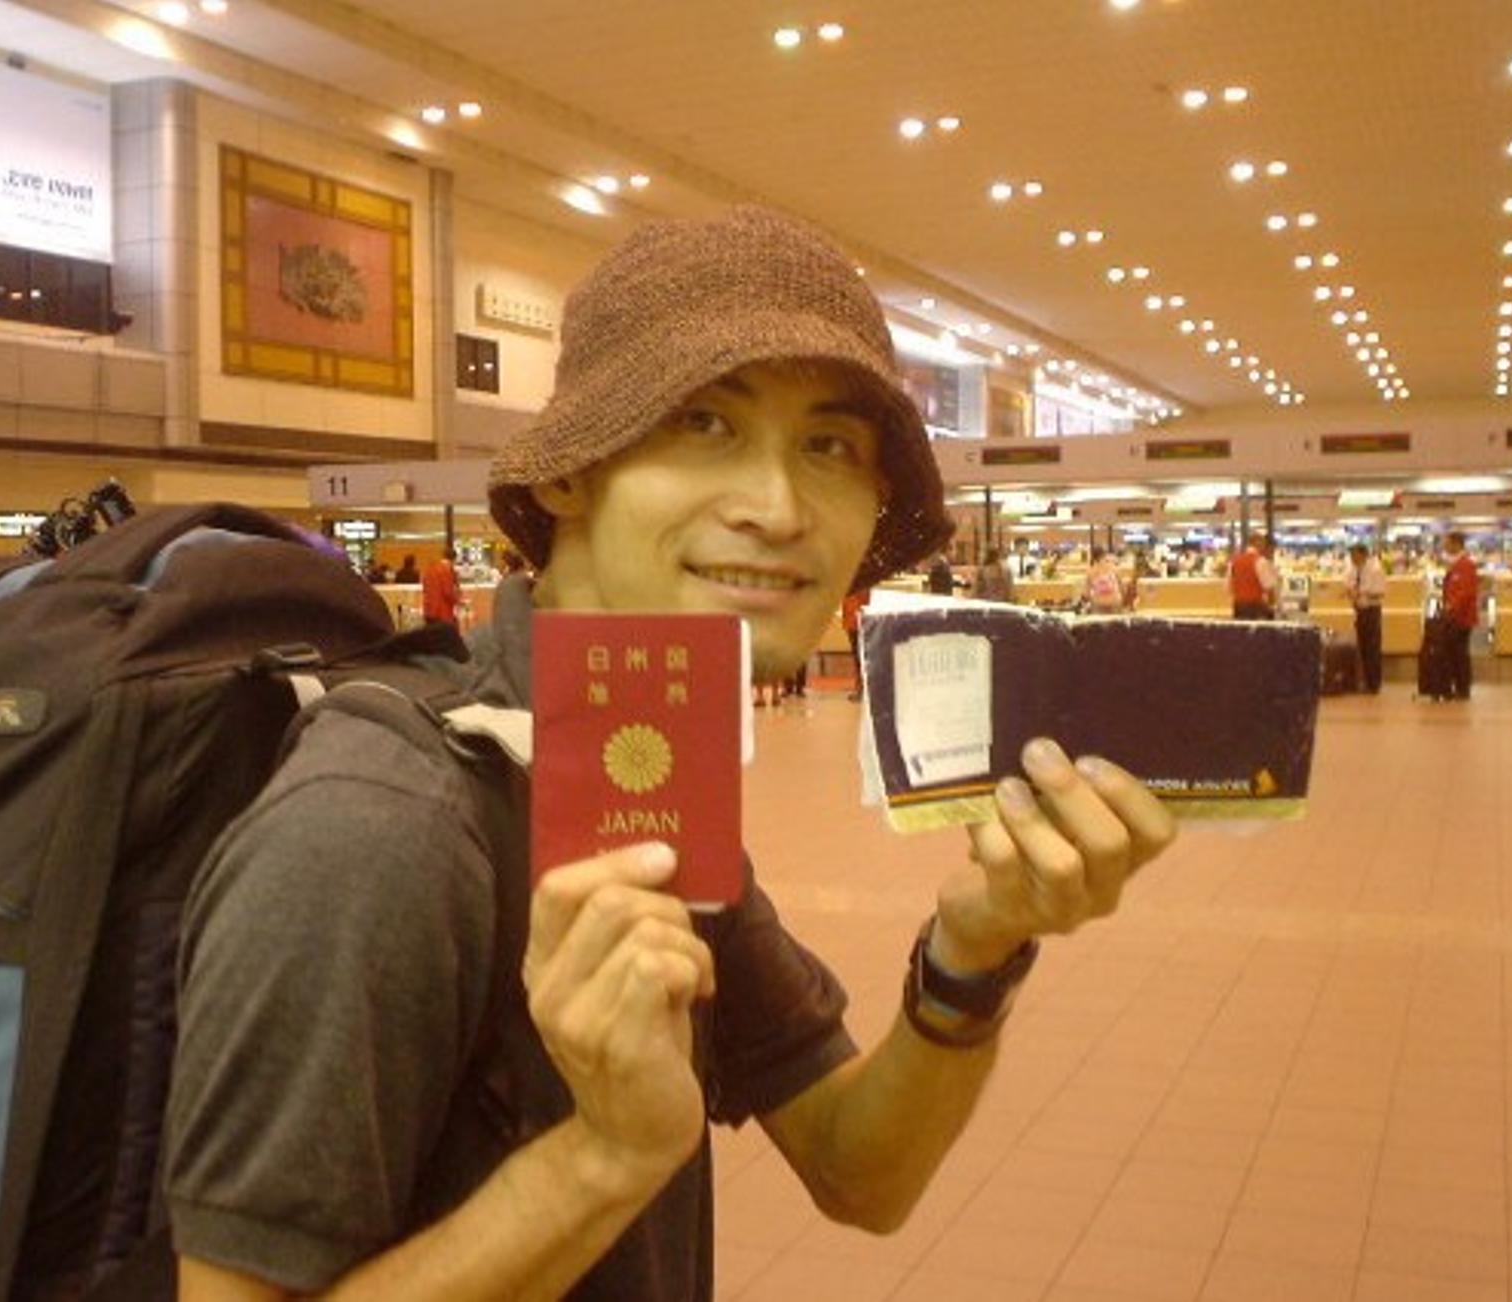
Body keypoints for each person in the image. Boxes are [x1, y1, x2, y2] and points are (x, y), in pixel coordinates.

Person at [164, 206, 1176, 1301]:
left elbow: (859, 1171)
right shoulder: (379, 827)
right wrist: (602, 1158)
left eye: (830, 447)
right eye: (703, 424)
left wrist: (973, 952)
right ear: (569, 474)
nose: (778, 509)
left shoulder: (632, 768)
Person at [1438, 531, 1479, 701]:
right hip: (1453, 617)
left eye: (1447, 543)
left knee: (1460, 654)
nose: (1444, 546)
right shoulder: (1455, 564)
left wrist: (1450, 607)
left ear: (1456, 544)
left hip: (1461, 618)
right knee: (1454, 653)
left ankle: (1463, 688)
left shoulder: (1466, 565)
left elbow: (1465, 593)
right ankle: (1458, 686)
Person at [1346, 543, 1387, 694]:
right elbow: (1349, 585)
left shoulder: (1376, 570)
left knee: (1372, 648)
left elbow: (1381, 592)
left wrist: (1362, 593)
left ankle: (1374, 684)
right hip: (1360, 611)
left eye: (1354, 555)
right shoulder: (1354, 569)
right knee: (1362, 648)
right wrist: (1351, 593)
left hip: (1372, 611)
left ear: (1362, 554)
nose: (1352, 558)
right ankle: (1365, 682)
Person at [1229, 532, 1278, 620]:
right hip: (1256, 607)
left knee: (1241, 628)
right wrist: (1272, 606)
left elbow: (1228, 587)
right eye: (1263, 543)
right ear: (1259, 543)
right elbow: (1269, 587)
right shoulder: (1260, 561)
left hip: (1238, 606)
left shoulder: (1234, 562)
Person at [842, 587, 871, 701]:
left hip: (857, 624)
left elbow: (866, 602)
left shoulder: (860, 586)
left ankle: (861, 689)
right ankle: (860, 688)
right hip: (852, 624)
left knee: (860, 658)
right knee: (858, 657)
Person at [422, 546, 462, 627]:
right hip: (441, 612)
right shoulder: (446, 571)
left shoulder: (430, 568)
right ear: (453, 560)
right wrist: (458, 601)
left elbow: (425, 587)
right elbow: (447, 592)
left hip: (428, 610)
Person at [1084, 549, 1124, 615]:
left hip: (1098, 604)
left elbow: (1086, 593)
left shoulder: (1090, 572)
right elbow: (1122, 588)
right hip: (1114, 602)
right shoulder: (1114, 568)